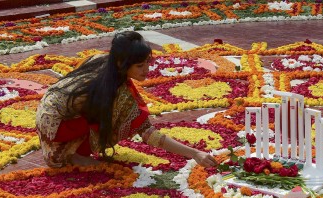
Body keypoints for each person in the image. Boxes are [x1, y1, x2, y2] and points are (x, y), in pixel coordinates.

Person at [35, 31, 217, 168]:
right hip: (58, 125)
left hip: (44, 113)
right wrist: (194, 153)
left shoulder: (102, 59)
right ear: (122, 64)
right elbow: (148, 133)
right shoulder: (117, 92)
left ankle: (70, 150)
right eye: (139, 65)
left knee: (112, 114)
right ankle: (68, 154)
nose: (146, 69)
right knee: (124, 116)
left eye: (147, 62)